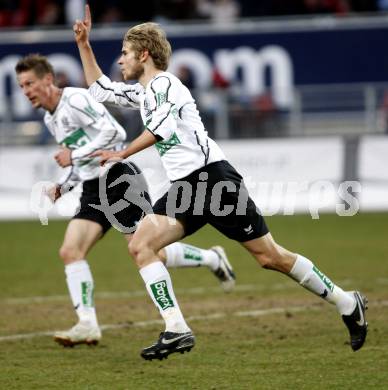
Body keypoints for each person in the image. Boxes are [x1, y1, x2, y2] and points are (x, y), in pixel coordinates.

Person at [73, 5, 368, 360]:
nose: (120, 61)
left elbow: (160, 130)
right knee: (141, 246)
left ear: (144, 54)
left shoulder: (165, 83)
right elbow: (101, 90)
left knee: (269, 257)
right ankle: (176, 329)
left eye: (124, 54)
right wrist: (84, 44)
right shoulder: (144, 93)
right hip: (186, 187)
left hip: (213, 181)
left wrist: (122, 153)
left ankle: (346, 301)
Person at [15, 54, 236, 348]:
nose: (26, 91)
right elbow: (79, 161)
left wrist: (75, 156)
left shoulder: (76, 100)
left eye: (30, 83)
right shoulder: (50, 118)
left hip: (119, 179)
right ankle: (87, 325)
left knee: (149, 250)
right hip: (93, 188)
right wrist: (64, 185)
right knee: (70, 251)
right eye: (21, 86)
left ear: (47, 80)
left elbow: (114, 133)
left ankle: (210, 258)